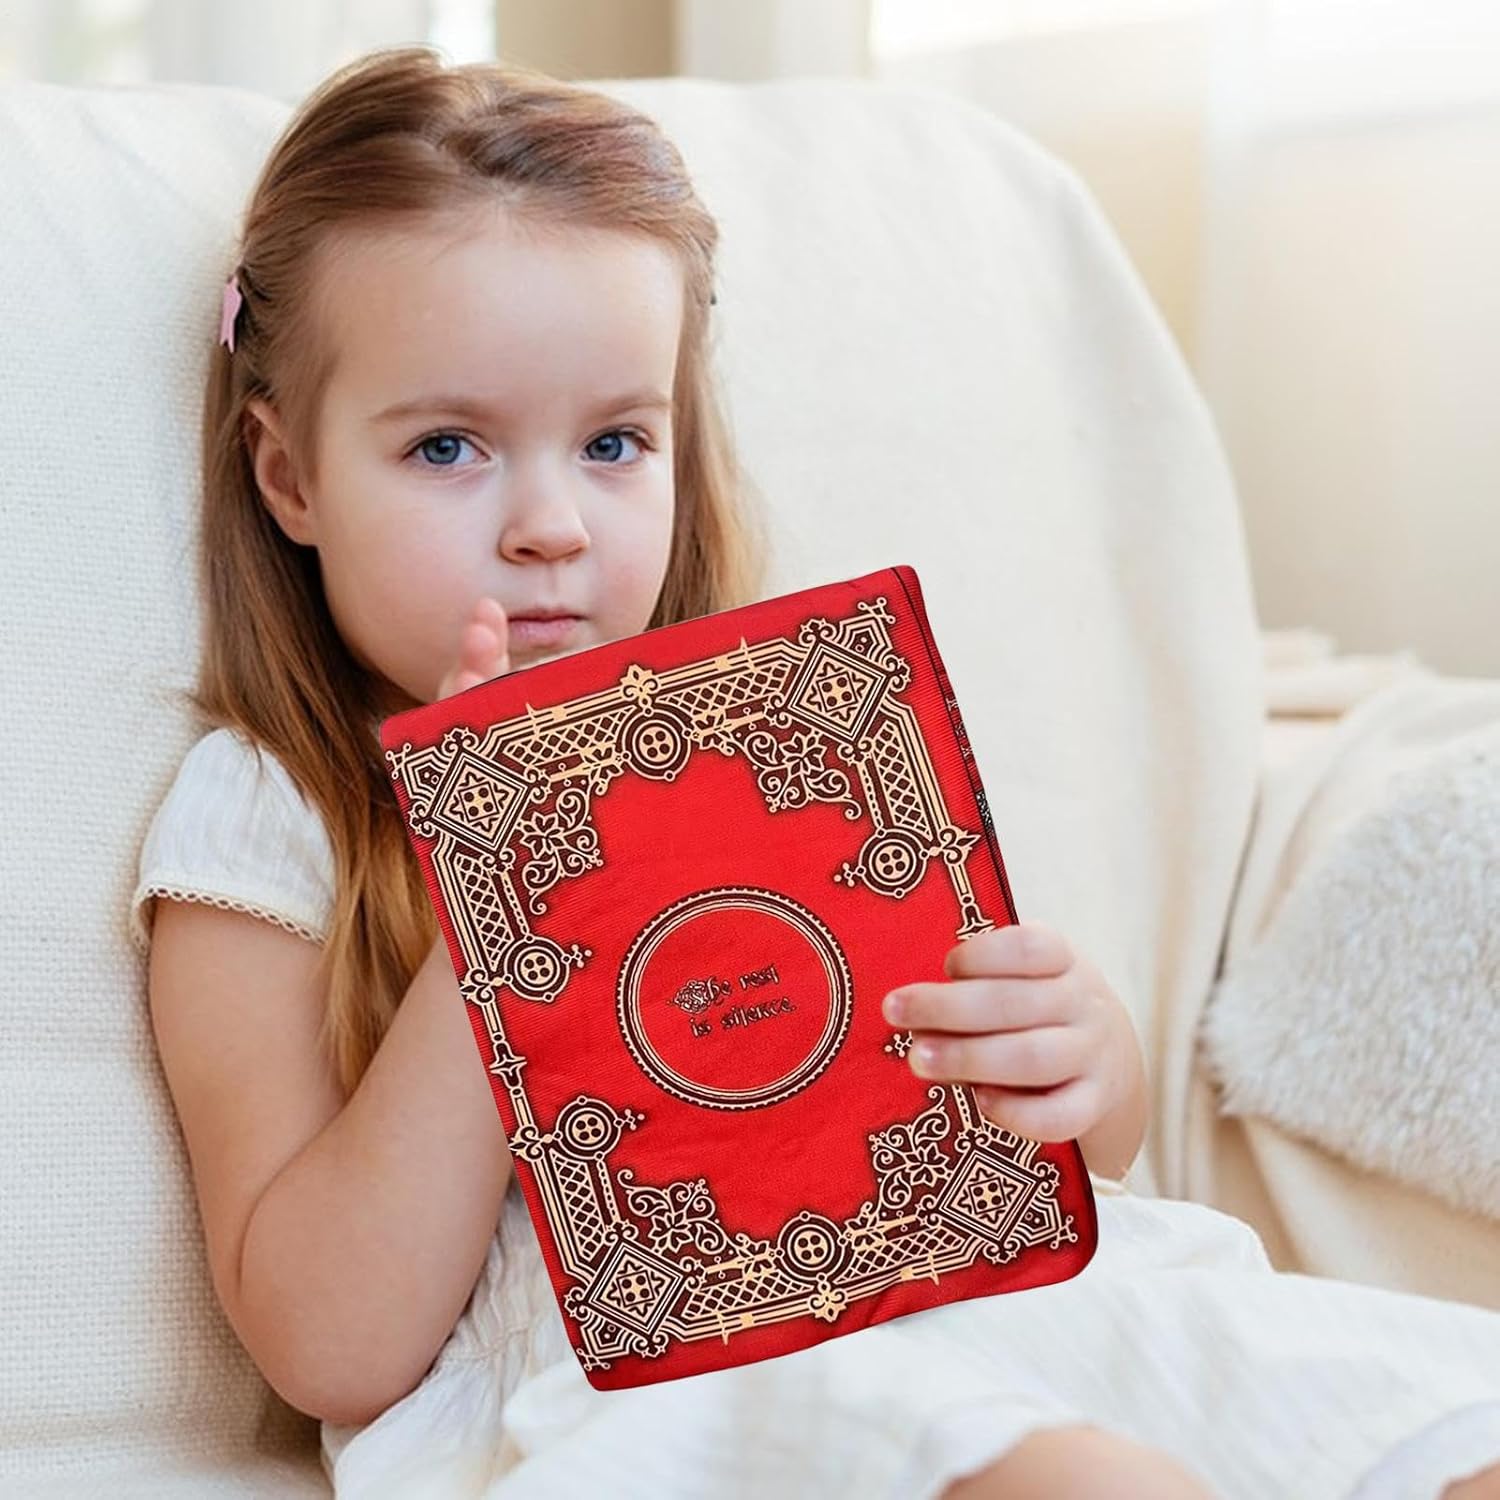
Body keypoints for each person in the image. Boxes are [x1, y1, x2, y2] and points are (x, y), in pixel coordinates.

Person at [131, 44, 1500, 1500]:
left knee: (1405, 1414)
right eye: (449, 447)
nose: (552, 524)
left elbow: (1048, 1143)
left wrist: (1079, 1061)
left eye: (614, 442)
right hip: (666, 1386)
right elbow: (329, 1345)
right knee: (1064, 1469)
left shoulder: (780, 740)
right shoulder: (265, 814)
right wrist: (505, 875)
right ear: (289, 476)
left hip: (991, 1299)